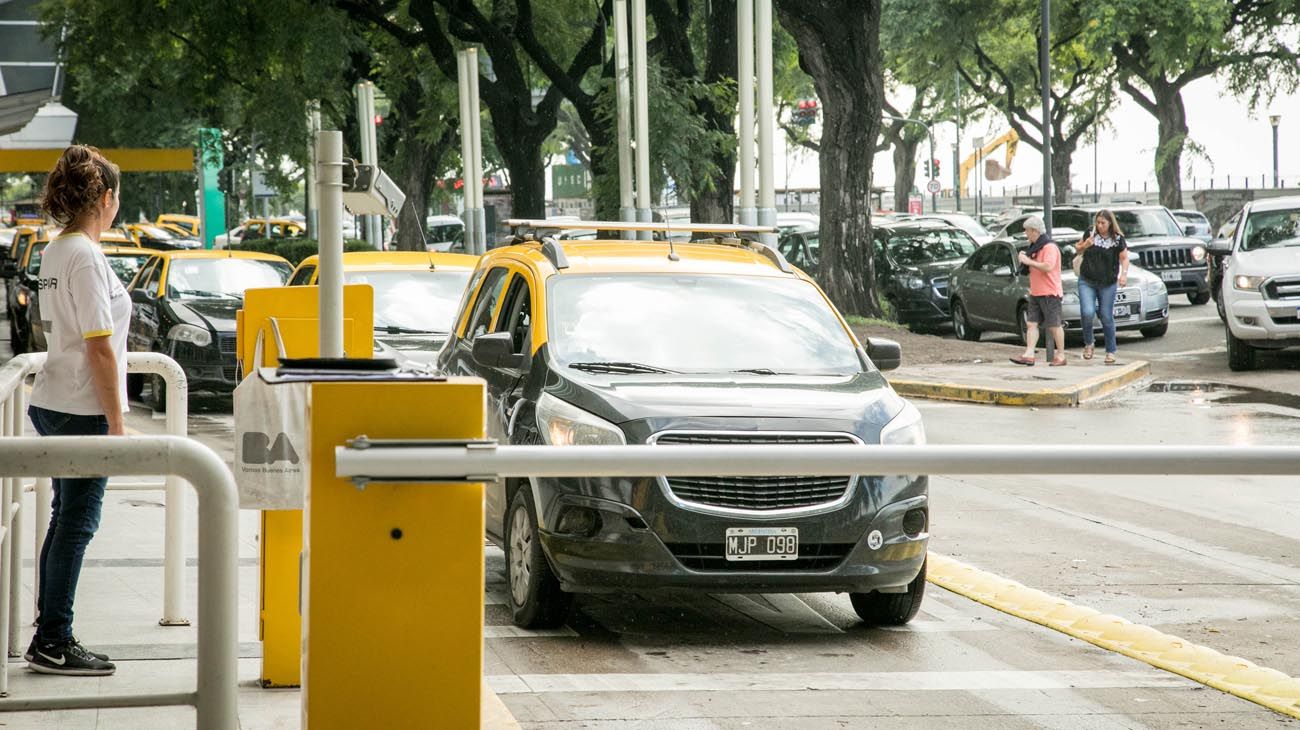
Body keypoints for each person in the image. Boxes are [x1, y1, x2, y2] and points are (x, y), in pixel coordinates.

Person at [25, 145, 126, 676]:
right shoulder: (85, 255)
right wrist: (117, 423)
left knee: (65, 522)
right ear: (104, 199)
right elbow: (99, 344)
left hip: (56, 399)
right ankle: (53, 640)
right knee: (76, 525)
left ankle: (49, 635)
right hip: (82, 407)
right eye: (117, 200)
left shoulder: (57, 248)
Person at [1075, 210, 1129, 365]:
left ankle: (1110, 350)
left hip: (1108, 282)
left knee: (1106, 315)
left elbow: (1124, 259)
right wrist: (1086, 244)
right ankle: (1089, 343)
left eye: (1103, 223)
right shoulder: (1090, 234)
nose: (1099, 226)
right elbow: (1077, 250)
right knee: (1087, 312)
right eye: (1097, 222)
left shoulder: (1118, 239)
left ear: (1110, 223)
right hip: (1087, 280)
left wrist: (1123, 274)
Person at [1011, 215, 1066, 367]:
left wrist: (1028, 261)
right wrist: (1025, 258)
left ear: (1035, 231)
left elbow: (1048, 266)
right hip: (1036, 292)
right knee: (1031, 323)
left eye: (1027, 231)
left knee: (1054, 325)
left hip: (1050, 292)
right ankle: (1029, 354)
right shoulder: (1034, 247)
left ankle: (1061, 355)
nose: (1026, 234)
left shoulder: (1049, 247)